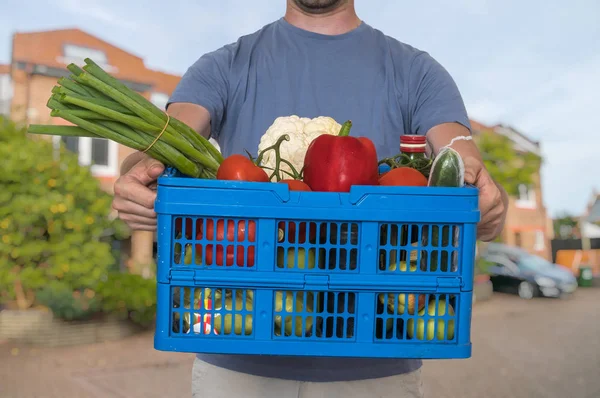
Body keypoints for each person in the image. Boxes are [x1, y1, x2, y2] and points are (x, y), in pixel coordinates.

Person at [113, 0, 508, 396]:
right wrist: (139, 173)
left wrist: (481, 186)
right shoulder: (224, 65)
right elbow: (168, 139)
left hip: (378, 368)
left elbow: (457, 148)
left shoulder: (416, 70)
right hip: (238, 368)